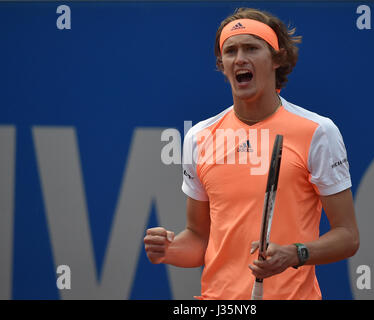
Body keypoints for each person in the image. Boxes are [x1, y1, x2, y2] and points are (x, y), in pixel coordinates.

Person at [144, 7, 359, 300]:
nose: (240, 58)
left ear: (276, 58)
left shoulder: (318, 131)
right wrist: (169, 250)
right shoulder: (199, 137)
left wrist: (296, 253)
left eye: (251, 48)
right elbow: (198, 238)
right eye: (230, 51)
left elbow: (347, 236)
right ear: (222, 64)